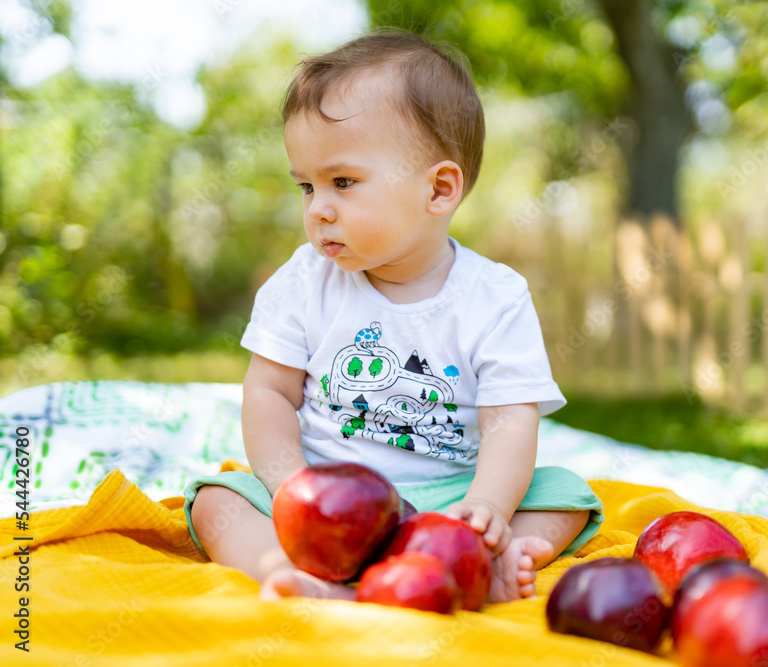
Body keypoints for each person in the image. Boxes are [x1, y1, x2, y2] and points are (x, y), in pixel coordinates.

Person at [184, 29, 604, 604]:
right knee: (217, 499)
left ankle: (497, 555)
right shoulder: (304, 280)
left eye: (343, 182)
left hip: (445, 501)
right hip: (327, 494)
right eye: (306, 186)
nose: (318, 209)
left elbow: (510, 421)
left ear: (439, 189)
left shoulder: (496, 297)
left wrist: (485, 506)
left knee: (563, 494)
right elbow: (269, 393)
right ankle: (291, 571)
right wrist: (290, 486)